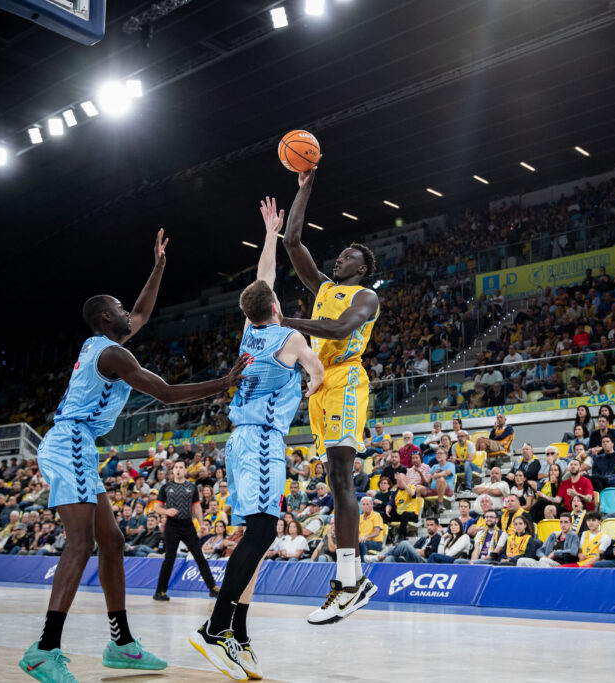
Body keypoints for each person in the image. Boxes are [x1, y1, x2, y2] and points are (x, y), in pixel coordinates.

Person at [23, 229, 248, 681]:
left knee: (113, 542)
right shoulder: (112, 355)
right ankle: (44, 649)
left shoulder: (105, 344)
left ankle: (121, 644)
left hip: (77, 444)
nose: (132, 313)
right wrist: (222, 383)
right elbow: (164, 393)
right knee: (82, 542)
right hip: (69, 443)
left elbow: (143, 310)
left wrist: (160, 265)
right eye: (121, 310)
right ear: (107, 317)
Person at [191, 197, 325, 681]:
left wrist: (270, 233)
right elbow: (319, 370)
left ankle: (238, 634)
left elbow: (263, 279)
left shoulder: (249, 329)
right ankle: (215, 627)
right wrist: (312, 384)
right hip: (265, 440)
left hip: (238, 441)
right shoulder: (289, 336)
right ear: (276, 306)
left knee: (257, 537)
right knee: (265, 532)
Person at [280, 167, 382, 625]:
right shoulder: (323, 288)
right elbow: (292, 242)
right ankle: (351, 578)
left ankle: (348, 582)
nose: (337, 262)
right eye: (337, 257)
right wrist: (305, 188)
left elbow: (341, 329)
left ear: (360, 268)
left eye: (345, 258)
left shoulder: (365, 297)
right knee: (332, 480)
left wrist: (287, 324)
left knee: (342, 477)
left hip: (346, 381)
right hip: (319, 386)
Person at [153, 459, 218, 601]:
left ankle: (212, 588)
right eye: (176, 467)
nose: (178, 469)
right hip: (172, 526)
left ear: (185, 470)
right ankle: (160, 592)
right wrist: (167, 511)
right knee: (169, 559)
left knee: (199, 557)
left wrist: (201, 524)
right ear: (173, 470)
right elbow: (156, 508)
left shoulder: (192, 487)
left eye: (181, 467)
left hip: (188, 525)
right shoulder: (166, 487)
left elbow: (197, 507)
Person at [375, 517, 441, 563]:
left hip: (424, 562)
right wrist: (417, 551)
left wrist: (418, 551)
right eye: (428, 525)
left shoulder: (438, 538)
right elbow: (413, 549)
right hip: (413, 559)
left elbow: (429, 554)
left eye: (431, 525)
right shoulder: (423, 539)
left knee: (405, 544)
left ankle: (382, 556)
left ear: (437, 526)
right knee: (390, 559)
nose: (429, 527)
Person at [357, 496, 386, 561]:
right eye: (363, 504)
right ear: (361, 506)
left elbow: (376, 532)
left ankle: (363, 564)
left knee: (362, 542)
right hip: (362, 541)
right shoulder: (360, 517)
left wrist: (365, 537)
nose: (365, 506)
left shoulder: (376, 515)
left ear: (371, 506)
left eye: (367, 504)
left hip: (376, 543)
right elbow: (357, 533)